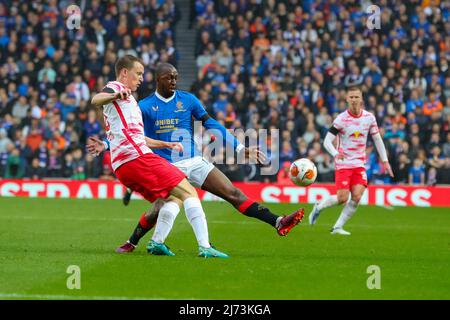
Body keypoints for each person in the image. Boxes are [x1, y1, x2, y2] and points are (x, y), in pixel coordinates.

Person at [88, 62, 304, 253]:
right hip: (167, 164)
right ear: (158, 80)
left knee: (233, 193)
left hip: (194, 160)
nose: (173, 81)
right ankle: (133, 241)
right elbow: (132, 134)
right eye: (169, 77)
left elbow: (211, 124)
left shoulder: (188, 100)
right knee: (163, 207)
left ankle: (277, 221)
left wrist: (238, 148)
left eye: (175, 77)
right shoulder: (143, 105)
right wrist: (107, 144)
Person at [90, 55, 228, 258]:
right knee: (189, 191)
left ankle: (155, 243)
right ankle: (205, 246)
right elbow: (96, 99)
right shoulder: (117, 88)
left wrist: (165, 144)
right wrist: (114, 96)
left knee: (170, 199)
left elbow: (136, 137)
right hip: (138, 159)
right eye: (138, 74)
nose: (141, 79)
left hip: (122, 167)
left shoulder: (129, 101)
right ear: (124, 73)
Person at [308, 86, 394, 235]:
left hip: (359, 163)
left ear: (361, 99)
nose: (354, 100)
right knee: (342, 198)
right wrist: (335, 153)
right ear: (347, 99)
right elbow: (327, 141)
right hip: (343, 163)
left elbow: (377, 139)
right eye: (351, 97)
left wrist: (385, 161)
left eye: (357, 97)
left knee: (357, 196)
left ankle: (337, 227)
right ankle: (319, 206)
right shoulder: (341, 119)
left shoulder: (369, 118)